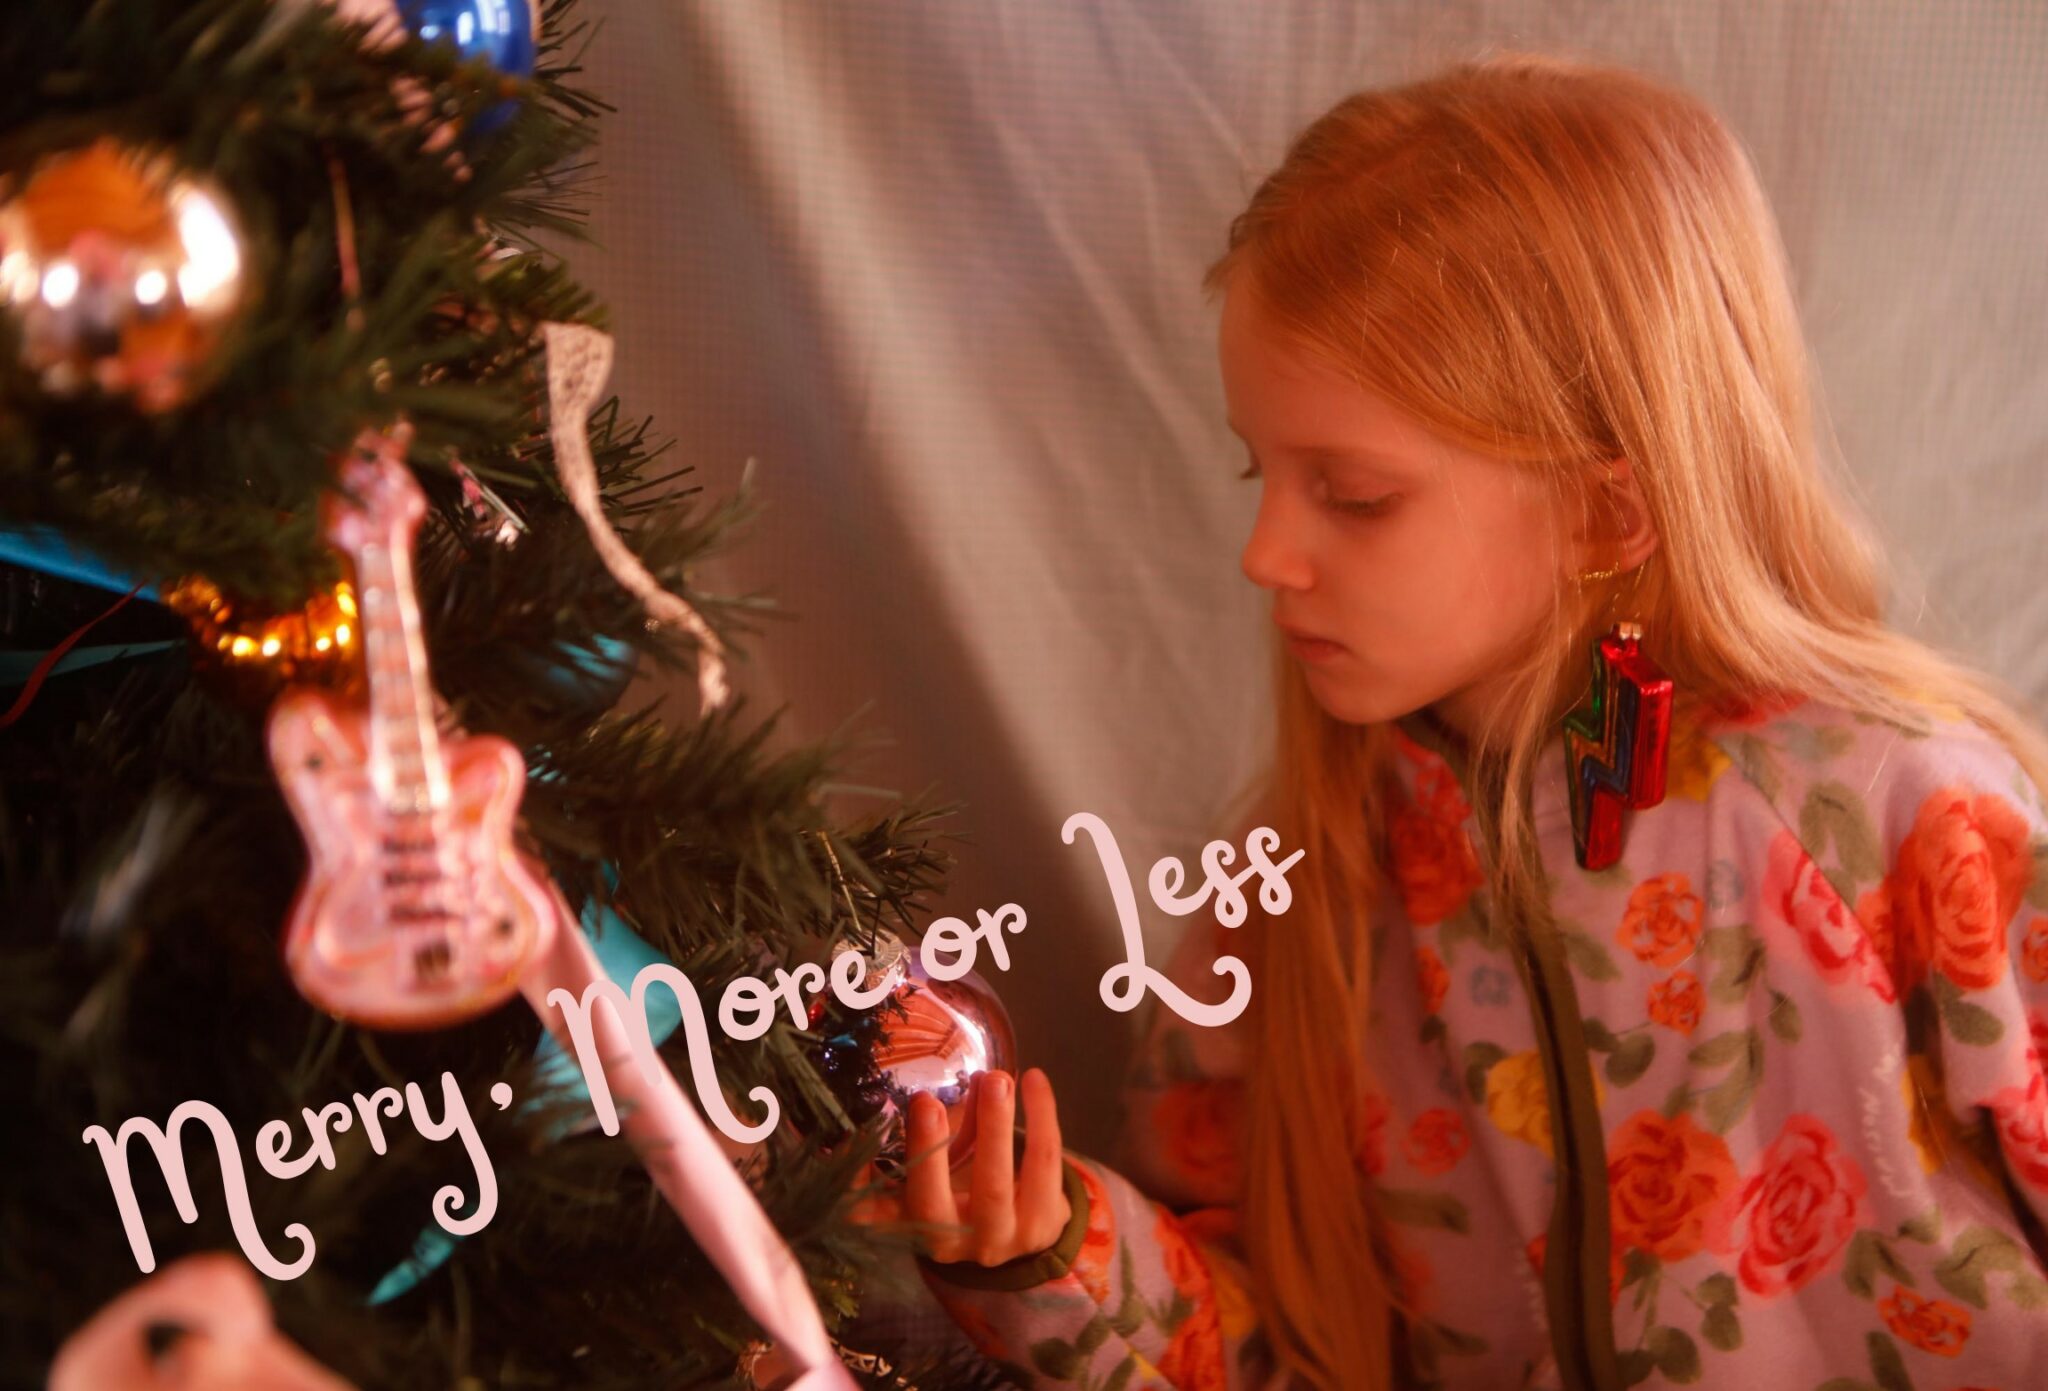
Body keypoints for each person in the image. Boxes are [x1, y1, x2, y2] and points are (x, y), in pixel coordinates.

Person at [848, 48, 2048, 1391]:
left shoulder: (1902, 816)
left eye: (1352, 494)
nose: (1265, 553)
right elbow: (1272, 1354)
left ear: (1606, 511)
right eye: (1262, 471)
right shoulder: (1296, 893)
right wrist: (1046, 1251)